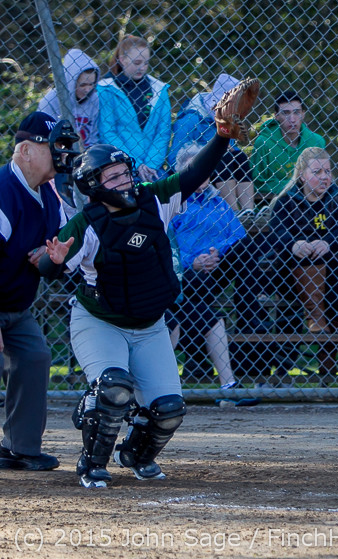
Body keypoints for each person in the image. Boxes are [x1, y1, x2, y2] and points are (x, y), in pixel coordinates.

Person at [38, 80, 256, 488]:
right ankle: (92, 462)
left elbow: (193, 174)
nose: (124, 180)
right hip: (100, 322)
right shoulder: (87, 223)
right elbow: (52, 270)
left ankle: (135, 454)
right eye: (114, 176)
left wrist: (222, 137)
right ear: (94, 185)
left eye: (125, 172)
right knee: (113, 388)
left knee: (170, 408)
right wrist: (51, 261)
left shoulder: (152, 199)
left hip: (150, 324)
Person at [0, 111, 79, 471]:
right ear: (26, 151)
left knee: (35, 357)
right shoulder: (4, 191)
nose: (60, 154)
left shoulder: (48, 195)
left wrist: (51, 259)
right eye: (53, 147)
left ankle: (21, 447)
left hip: (15, 306)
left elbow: (65, 253)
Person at [268, 147, 338, 383]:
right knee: (308, 259)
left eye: (328, 171)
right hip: (290, 276)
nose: (324, 177)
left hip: (334, 275)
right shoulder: (286, 201)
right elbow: (276, 234)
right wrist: (294, 244)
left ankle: (323, 337)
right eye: (317, 171)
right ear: (302, 175)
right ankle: (315, 322)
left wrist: (328, 242)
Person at [167, 145, 244, 390]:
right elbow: (167, 245)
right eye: (194, 170)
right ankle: (224, 383)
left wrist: (215, 253)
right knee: (204, 312)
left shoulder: (218, 202)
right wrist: (194, 261)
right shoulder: (173, 203)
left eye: (204, 170)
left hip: (215, 269)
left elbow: (238, 235)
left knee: (248, 248)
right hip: (180, 274)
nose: (201, 175)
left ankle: (228, 385)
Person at [168, 74, 255, 212]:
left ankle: (249, 211)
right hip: (196, 170)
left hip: (219, 169)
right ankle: (234, 212)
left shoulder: (226, 119)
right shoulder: (192, 118)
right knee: (223, 160)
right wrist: (210, 152)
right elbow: (175, 157)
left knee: (241, 157)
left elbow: (231, 147)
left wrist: (230, 149)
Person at [97, 34, 171, 183]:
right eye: (137, 62)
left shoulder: (159, 89)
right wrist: (134, 163)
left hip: (152, 169)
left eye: (146, 63)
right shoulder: (106, 89)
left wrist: (150, 165)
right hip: (118, 165)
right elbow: (108, 132)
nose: (142, 67)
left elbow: (163, 132)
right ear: (123, 60)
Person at [251, 90, 326, 197]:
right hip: (271, 204)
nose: (292, 119)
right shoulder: (264, 142)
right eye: (285, 113)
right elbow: (258, 182)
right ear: (276, 116)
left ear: (303, 114)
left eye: (296, 112)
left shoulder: (317, 142)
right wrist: (297, 186)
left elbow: (322, 178)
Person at [38, 48, 101, 148]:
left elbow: (93, 136)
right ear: (71, 81)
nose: (87, 89)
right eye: (82, 85)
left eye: (91, 84)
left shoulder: (94, 99)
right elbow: (44, 137)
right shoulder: (50, 101)